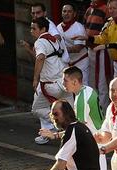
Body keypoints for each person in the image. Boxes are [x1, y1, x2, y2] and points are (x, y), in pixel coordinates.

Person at [31, 17, 70, 145]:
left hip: (50, 85)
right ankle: (66, 128)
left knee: (37, 108)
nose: (31, 31)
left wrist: (35, 78)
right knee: (71, 111)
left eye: (34, 28)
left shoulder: (40, 42)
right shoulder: (54, 40)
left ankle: (59, 121)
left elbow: (41, 57)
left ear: (43, 29)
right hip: (64, 82)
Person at [85, 0, 111, 107]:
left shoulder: (106, 9)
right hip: (90, 49)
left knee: (102, 83)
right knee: (91, 82)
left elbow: (107, 33)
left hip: (101, 50)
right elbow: (85, 27)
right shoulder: (89, 9)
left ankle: (103, 113)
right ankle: (94, 111)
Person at [58, 4, 88, 92]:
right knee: (68, 90)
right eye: (64, 11)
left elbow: (78, 48)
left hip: (81, 62)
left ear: (74, 14)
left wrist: (61, 50)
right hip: (67, 64)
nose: (66, 14)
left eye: (69, 11)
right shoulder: (58, 28)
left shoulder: (79, 27)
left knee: (83, 89)